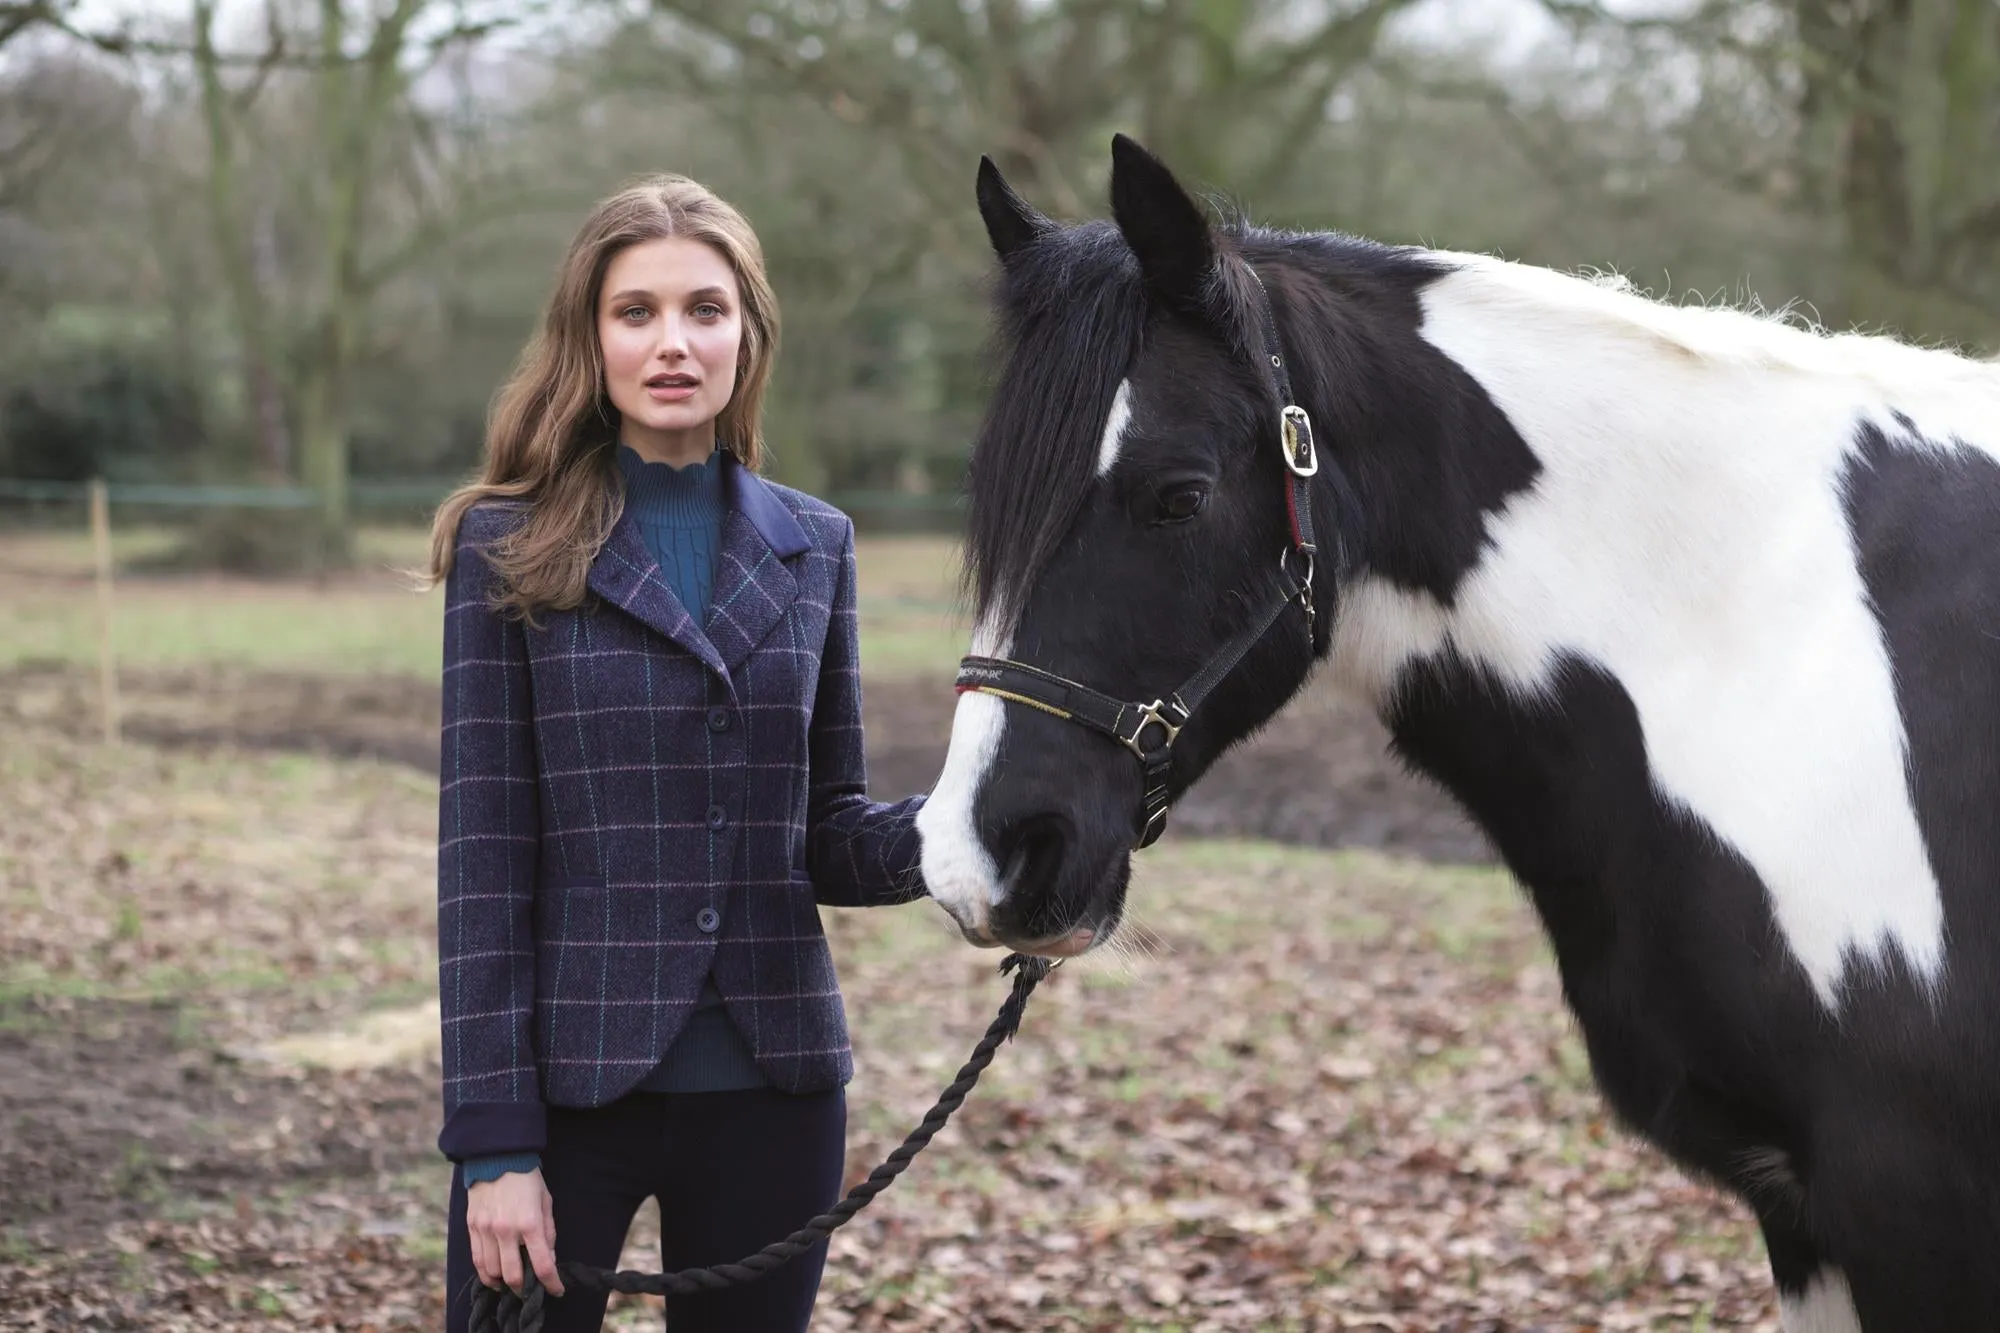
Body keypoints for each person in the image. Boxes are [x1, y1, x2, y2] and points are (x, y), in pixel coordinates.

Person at [423, 174, 928, 1333]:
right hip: (564, 1095)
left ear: (746, 334)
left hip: (776, 1090)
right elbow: (484, 859)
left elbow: (829, 832)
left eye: (704, 309)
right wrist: (492, 1141)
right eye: (634, 311)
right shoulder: (506, 546)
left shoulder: (817, 546)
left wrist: (963, 840)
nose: (671, 342)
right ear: (588, 335)